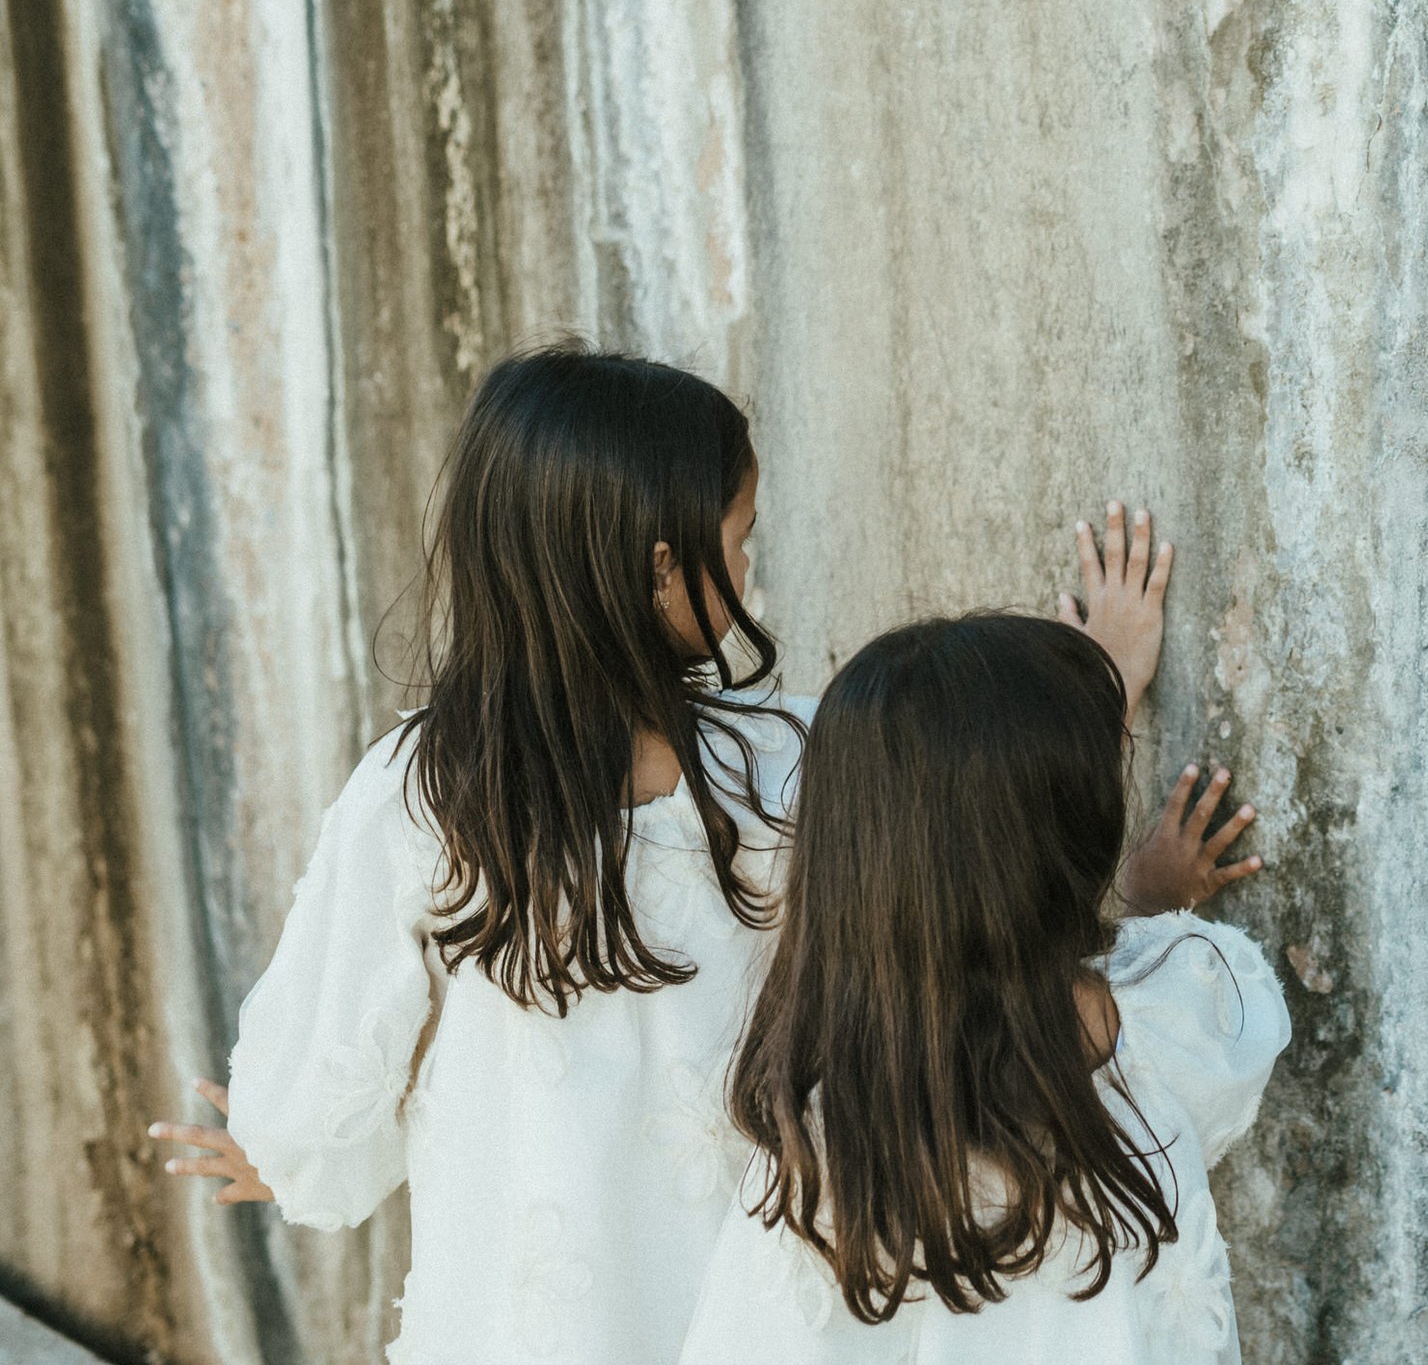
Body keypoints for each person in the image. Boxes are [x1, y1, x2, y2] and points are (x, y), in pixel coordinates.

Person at [146, 343, 1176, 1365]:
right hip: (776, 1308)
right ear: (656, 568)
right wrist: (1099, 696)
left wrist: (283, 1146)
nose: (748, 569)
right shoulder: (788, 761)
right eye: (737, 540)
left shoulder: (426, 793)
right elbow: (976, 858)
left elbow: (312, 1111)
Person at [678, 612, 1284, 1365]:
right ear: (1071, 842)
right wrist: (1148, 905)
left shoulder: (819, 1157)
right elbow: (1229, 1033)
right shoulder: (1173, 1023)